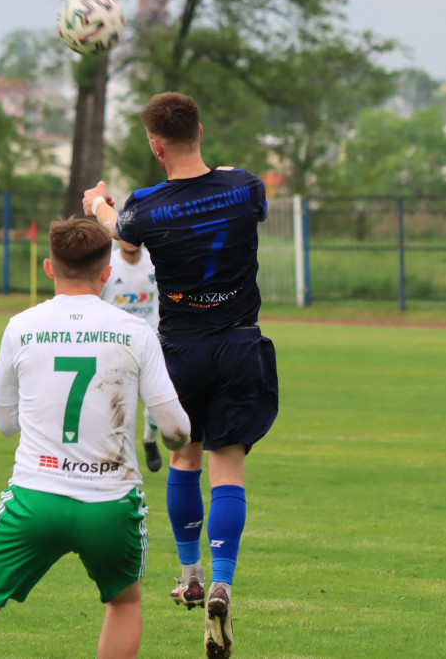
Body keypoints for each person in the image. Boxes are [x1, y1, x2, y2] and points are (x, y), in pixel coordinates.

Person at [0, 217, 190, 659]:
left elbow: (4, 423)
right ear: (107, 272)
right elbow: (176, 430)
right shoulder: (137, 331)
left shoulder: (20, 326)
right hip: (110, 501)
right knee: (124, 602)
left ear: (49, 269)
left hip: (36, 497)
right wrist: (168, 444)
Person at [82, 91, 278, 659]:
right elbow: (251, 209)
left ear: (155, 144)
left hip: (181, 351)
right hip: (241, 344)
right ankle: (223, 580)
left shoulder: (145, 205)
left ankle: (190, 575)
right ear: (201, 131)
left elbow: (120, 231)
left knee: (185, 461)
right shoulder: (246, 186)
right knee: (229, 469)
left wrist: (98, 202)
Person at [101, 239, 164, 472]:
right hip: (115, 345)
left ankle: (149, 439)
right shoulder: (108, 264)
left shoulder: (155, 262)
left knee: (158, 407)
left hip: (152, 342)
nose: (130, 240)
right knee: (116, 406)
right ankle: (116, 460)